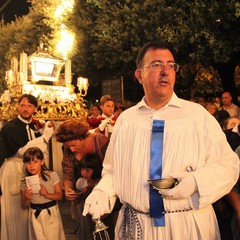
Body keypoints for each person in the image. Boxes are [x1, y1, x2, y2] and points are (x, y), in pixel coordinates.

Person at [82, 41, 239, 240]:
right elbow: (114, 170)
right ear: (139, 75)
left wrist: (195, 183)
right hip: (137, 227)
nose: (165, 71)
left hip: (188, 226)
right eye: (156, 65)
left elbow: (228, 165)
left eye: (171, 65)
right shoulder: (126, 120)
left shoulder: (198, 116)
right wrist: (103, 191)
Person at [0, 94, 54, 240]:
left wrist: (42, 131)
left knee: (30, 206)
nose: (25, 108)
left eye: (29, 106)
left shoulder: (34, 126)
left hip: (30, 170)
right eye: (22, 105)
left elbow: (39, 151)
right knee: (15, 210)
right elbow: (21, 151)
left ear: (35, 108)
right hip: (14, 169)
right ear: (18, 107)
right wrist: (44, 138)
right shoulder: (10, 127)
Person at [55, 119, 118, 240]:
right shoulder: (69, 148)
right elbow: (67, 171)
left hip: (105, 198)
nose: (71, 149)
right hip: (84, 197)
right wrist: (68, 189)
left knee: (108, 232)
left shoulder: (101, 142)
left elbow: (113, 171)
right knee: (88, 232)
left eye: (74, 145)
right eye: (68, 147)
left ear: (83, 137)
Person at [21, 147, 65, 240]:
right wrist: (27, 198)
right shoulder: (24, 182)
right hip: (35, 215)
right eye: (28, 162)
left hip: (51, 213)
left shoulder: (52, 175)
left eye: (35, 161)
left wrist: (47, 194)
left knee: (53, 236)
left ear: (42, 161)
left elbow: (60, 195)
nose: (31, 165)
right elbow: (24, 205)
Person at [71, 153, 103, 239]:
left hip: (99, 216)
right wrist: (76, 197)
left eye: (87, 170)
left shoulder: (100, 183)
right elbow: (77, 203)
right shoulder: (80, 182)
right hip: (85, 216)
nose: (84, 173)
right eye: (82, 170)